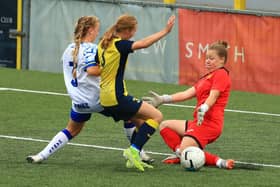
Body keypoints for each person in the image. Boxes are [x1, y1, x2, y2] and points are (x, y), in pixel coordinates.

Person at [26, 16, 152, 164]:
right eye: (97, 29)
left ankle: (41, 155)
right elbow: (92, 70)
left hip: (79, 100)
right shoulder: (92, 48)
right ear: (90, 30)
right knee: (133, 117)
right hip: (99, 99)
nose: (98, 32)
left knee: (71, 130)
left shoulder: (69, 49)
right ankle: (139, 152)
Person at [96, 14, 175, 171]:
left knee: (141, 123)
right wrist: (165, 31)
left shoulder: (103, 44)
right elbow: (144, 44)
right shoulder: (120, 44)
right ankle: (133, 151)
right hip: (117, 97)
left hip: (105, 98)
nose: (134, 34)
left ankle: (135, 155)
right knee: (157, 116)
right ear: (128, 30)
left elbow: (97, 68)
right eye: (133, 31)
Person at [143, 41, 235, 169]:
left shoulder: (221, 74)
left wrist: (205, 107)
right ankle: (180, 154)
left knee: (186, 150)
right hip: (198, 122)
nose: (207, 61)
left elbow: (213, 96)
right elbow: (186, 94)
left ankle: (220, 162)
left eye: (212, 58)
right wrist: (163, 99)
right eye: (206, 58)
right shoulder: (206, 77)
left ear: (222, 60)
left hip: (210, 124)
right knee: (165, 126)